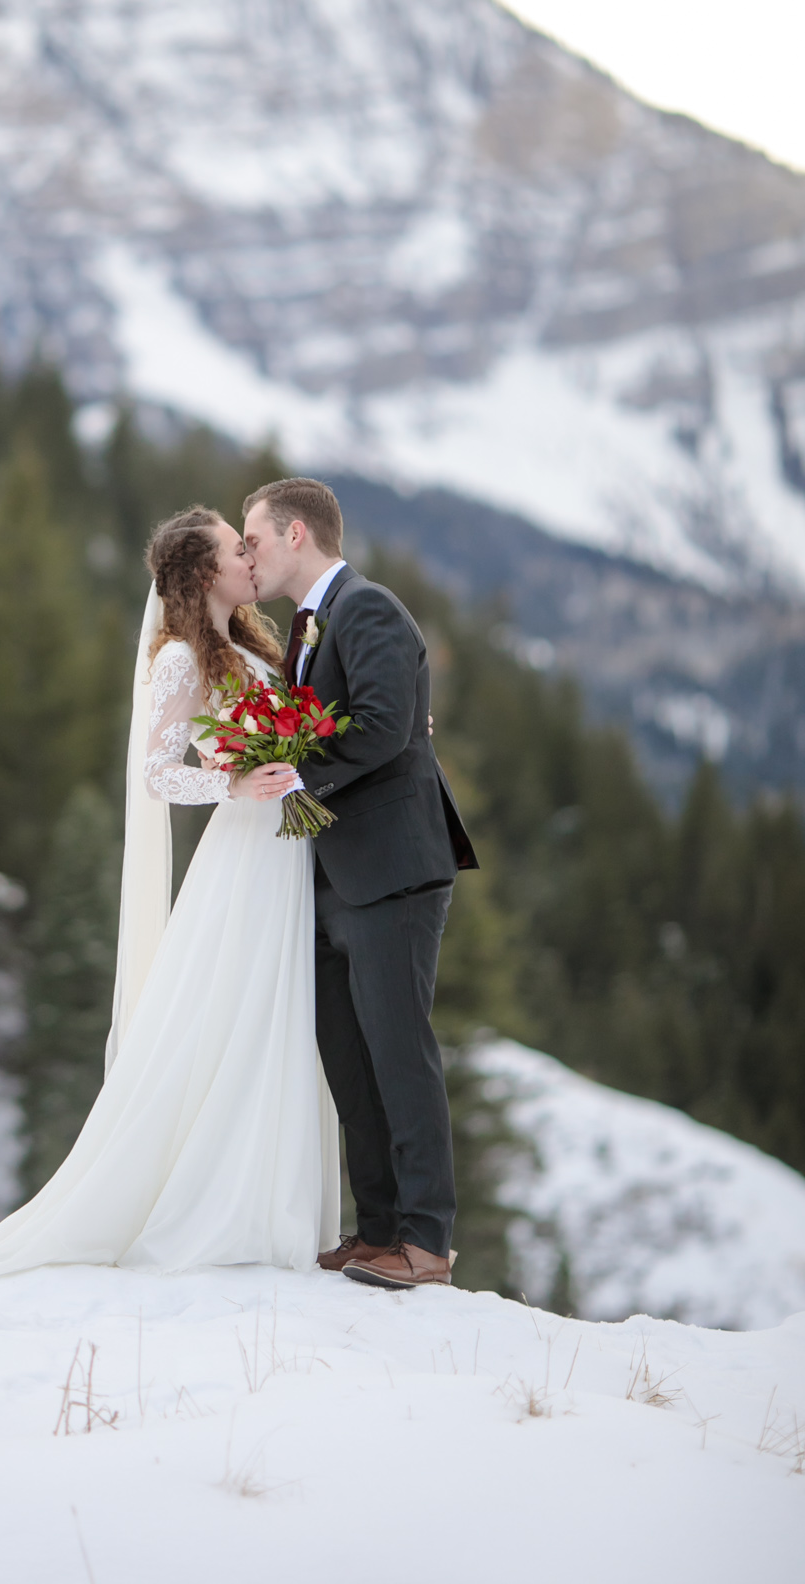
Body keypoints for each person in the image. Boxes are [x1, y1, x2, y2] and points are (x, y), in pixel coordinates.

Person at [0, 506, 340, 1288]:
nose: (250, 558)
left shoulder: (251, 642)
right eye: (233, 549)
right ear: (204, 571)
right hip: (245, 853)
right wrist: (232, 782)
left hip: (287, 849)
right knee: (239, 1016)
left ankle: (273, 1201)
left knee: (278, 1018)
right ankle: (223, 1207)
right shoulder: (180, 658)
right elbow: (154, 772)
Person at [243, 477, 477, 1290]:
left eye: (256, 539)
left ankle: (426, 1243)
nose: (249, 554)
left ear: (297, 533)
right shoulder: (311, 628)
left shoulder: (368, 607)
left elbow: (383, 727)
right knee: (350, 1056)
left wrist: (288, 770)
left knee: (399, 1052)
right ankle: (377, 1229)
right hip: (335, 873)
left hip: (392, 870)